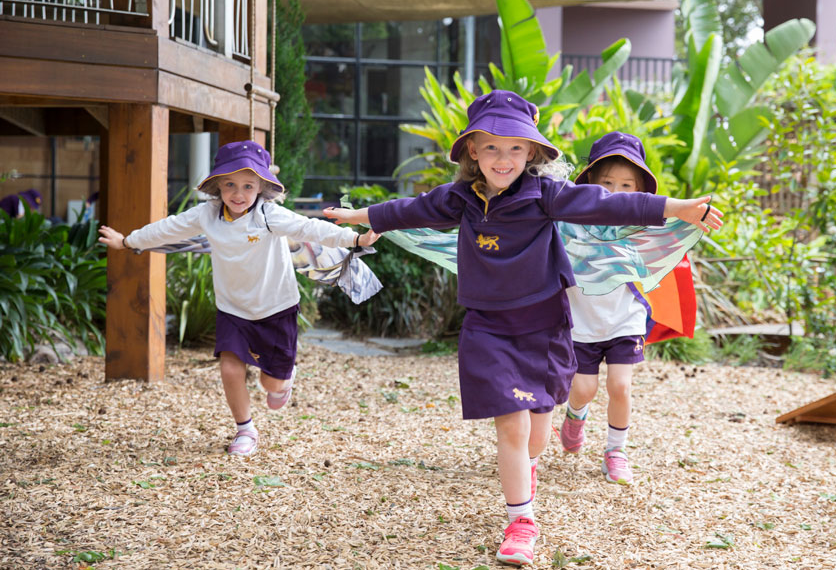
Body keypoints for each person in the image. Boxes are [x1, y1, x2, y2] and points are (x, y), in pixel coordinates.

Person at [324, 91, 723, 566]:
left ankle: (528, 472)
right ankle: (521, 522)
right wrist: (357, 217)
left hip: (546, 328)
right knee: (511, 431)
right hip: (487, 329)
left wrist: (677, 208)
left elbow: (608, 205)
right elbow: (409, 210)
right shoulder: (460, 199)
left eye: (516, 147)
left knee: (535, 437)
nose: (503, 157)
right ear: (472, 150)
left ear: (532, 153)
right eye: (491, 146)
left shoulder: (548, 196)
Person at [98, 141, 379, 458]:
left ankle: (282, 382)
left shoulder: (268, 215)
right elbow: (168, 228)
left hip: (276, 309)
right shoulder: (207, 215)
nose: (238, 193)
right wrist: (128, 241)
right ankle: (245, 429)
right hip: (232, 309)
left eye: (248, 185)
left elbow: (309, 228)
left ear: (261, 186)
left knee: (272, 387)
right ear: (217, 185)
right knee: (230, 369)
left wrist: (355, 238)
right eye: (229, 184)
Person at [558, 131, 675, 485]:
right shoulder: (570, 222)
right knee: (584, 389)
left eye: (627, 185)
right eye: (608, 183)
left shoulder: (642, 227)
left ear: (640, 189)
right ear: (590, 181)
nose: (616, 192)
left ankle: (616, 452)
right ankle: (575, 417)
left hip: (626, 317)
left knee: (621, 387)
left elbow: (668, 241)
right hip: (581, 320)